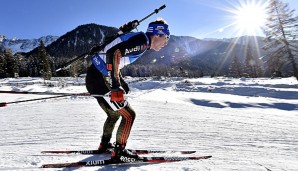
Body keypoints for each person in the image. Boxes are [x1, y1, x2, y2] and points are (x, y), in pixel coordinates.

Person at [85, 18, 170, 162]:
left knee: (114, 115)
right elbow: (113, 54)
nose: (166, 43)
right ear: (158, 34)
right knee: (129, 115)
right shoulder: (141, 42)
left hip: (94, 77)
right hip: (100, 80)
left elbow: (115, 58)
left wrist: (121, 81)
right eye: (166, 38)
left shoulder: (138, 40)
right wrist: (115, 86)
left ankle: (104, 145)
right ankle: (119, 152)